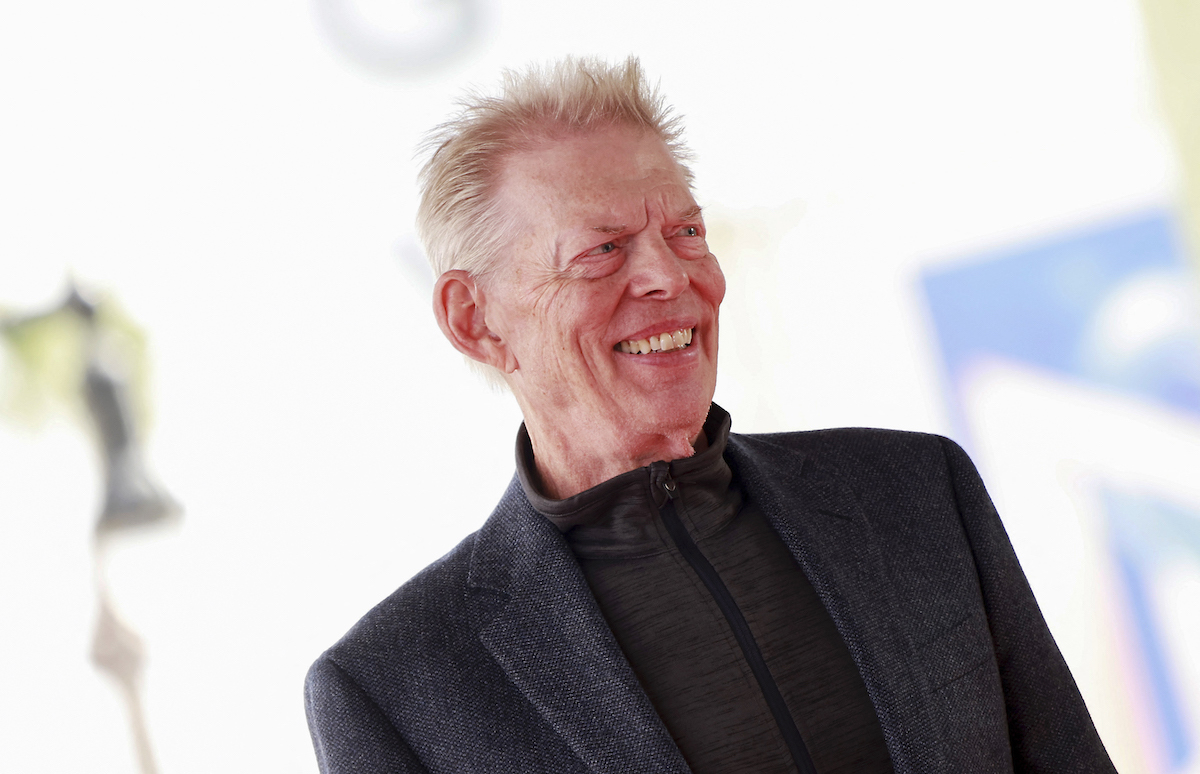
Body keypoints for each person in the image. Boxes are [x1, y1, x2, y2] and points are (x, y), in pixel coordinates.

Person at [305, 57, 1116, 774]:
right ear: (476, 320)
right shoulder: (394, 688)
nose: (670, 275)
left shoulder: (916, 492)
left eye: (687, 230)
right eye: (603, 249)